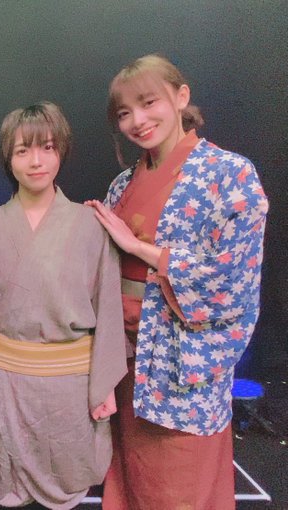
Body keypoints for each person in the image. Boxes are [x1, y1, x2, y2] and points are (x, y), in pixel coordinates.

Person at [86, 54, 269, 510]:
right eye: (124, 112)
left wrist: (141, 248)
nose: (137, 120)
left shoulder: (229, 174)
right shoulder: (122, 183)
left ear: (181, 96)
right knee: (130, 477)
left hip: (180, 365)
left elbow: (231, 280)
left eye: (148, 103)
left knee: (180, 485)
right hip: (127, 360)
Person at [0, 102, 127, 509]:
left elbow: (108, 308)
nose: (36, 161)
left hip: (73, 387)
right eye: (23, 150)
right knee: (11, 483)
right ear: (9, 158)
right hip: (8, 384)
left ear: (61, 151)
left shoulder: (90, 226)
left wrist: (105, 385)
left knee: (70, 476)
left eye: (47, 148)